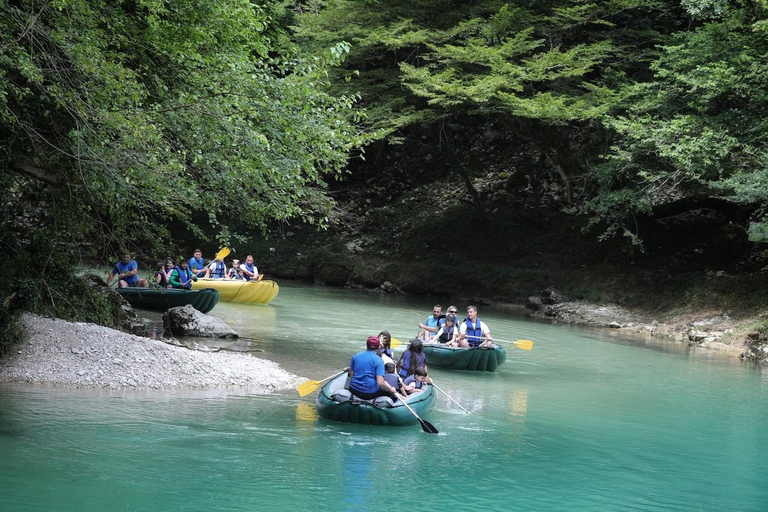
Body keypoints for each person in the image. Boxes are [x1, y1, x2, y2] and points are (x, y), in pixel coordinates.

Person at [346, 336, 399, 400]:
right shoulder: (379, 360)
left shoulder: (356, 356)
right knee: (389, 393)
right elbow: (380, 382)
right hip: (369, 393)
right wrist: (391, 389)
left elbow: (351, 375)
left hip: (353, 389)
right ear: (379, 346)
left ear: (366, 345)